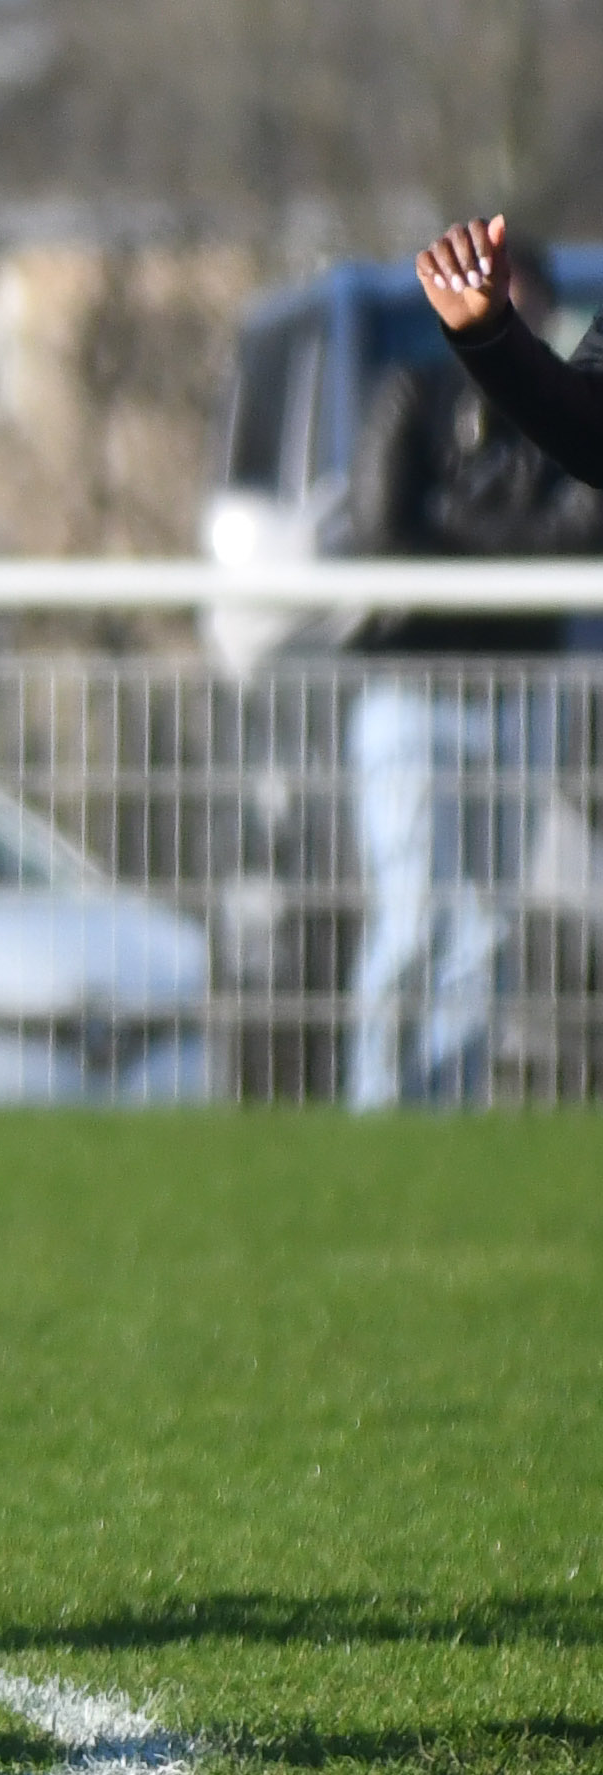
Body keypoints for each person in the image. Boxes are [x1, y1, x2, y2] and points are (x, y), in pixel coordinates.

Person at [343, 214, 602, 1106]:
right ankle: (379, 1112)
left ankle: (448, 1116)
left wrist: (451, 532)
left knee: (487, 927)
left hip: (518, 687)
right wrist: (487, 339)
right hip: (415, 687)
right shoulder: (414, 395)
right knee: (414, 915)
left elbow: (580, 535)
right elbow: (383, 536)